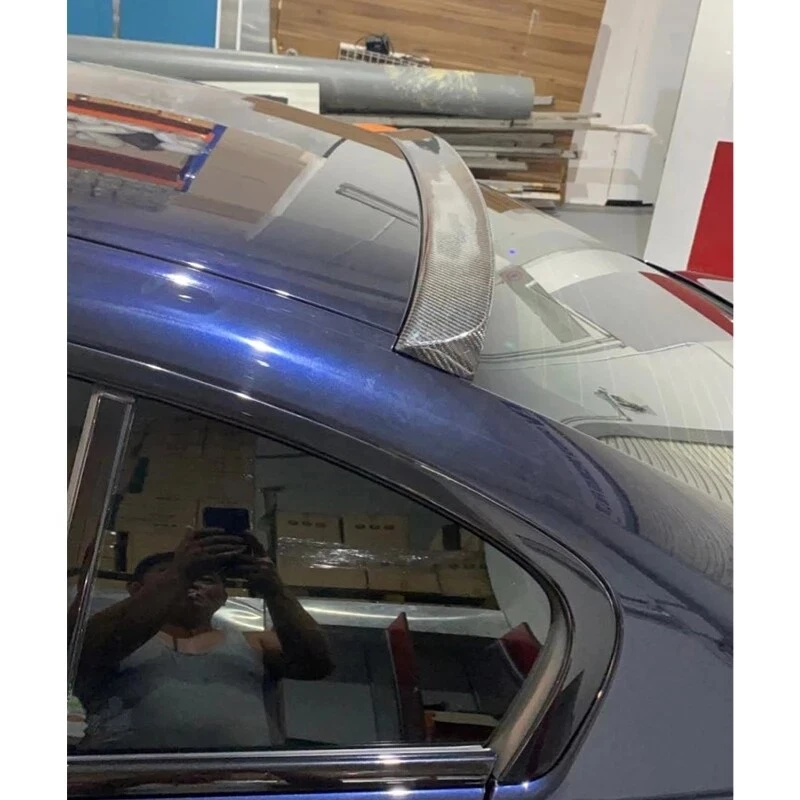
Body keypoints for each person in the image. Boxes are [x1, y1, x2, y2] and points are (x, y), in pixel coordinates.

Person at [75, 529, 333, 751]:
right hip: (130, 783)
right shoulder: (110, 634)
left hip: (242, 784)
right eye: (167, 573)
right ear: (135, 590)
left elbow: (316, 665)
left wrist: (275, 591)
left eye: (206, 578)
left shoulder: (257, 642)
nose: (193, 583)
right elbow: (82, 649)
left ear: (224, 597)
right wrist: (179, 573)